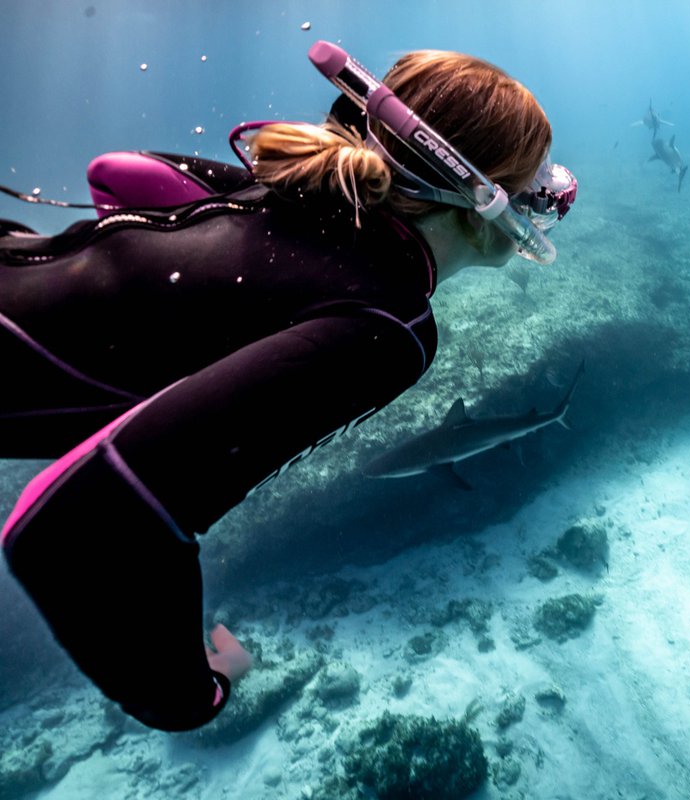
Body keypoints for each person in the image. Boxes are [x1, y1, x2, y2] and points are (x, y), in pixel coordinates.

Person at [0, 44, 576, 732]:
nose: (546, 199)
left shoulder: (297, 193)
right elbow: (74, 525)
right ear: (483, 198)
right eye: (535, 182)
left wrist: (146, 304)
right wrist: (192, 695)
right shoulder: (389, 325)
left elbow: (117, 174)